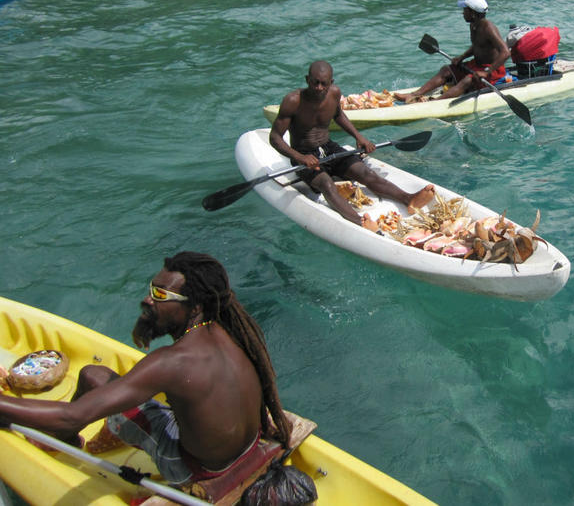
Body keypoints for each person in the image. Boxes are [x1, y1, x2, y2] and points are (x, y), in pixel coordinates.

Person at [0, 252, 293, 488]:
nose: (147, 299)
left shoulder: (171, 361)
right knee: (96, 376)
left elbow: (70, 416)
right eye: (152, 289)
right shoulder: (234, 333)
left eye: (161, 296)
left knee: (92, 378)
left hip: (194, 470)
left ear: (194, 308)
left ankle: (63, 443)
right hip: (243, 448)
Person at [269, 60, 435, 231]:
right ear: (307, 79)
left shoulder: (334, 94)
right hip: (304, 154)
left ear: (331, 83)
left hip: (328, 147)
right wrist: (300, 157)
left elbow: (339, 115)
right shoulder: (293, 101)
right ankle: (360, 222)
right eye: (315, 82)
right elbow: (275, 137)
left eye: (323, 83)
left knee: (365, 172)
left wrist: (359, 137)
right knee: (327, 184)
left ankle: (408, 199)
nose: (319, 87)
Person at [394, 0, 511, 102]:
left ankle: (435, 103)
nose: (463, 13)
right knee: (446, 70)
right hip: (476, 65)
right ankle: (414, 94)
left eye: (465, 10)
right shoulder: (473, 25)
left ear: (473, 13)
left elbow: (505, 52)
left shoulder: (488, 28)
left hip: (492, 71)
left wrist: (487, 72)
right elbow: (478, 45)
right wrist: (462, 57)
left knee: (467, 80)